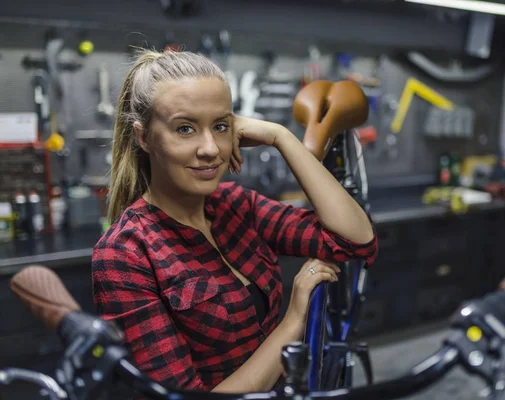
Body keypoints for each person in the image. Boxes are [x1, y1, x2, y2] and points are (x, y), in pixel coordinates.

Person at [92, 49, 378, 394]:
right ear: (144, 137)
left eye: (221, 126)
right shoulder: (124, 254)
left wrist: (280, 137)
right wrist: (293, 322)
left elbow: (356, 240)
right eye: (185, 129)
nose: (211, 148)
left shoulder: (236, 206)